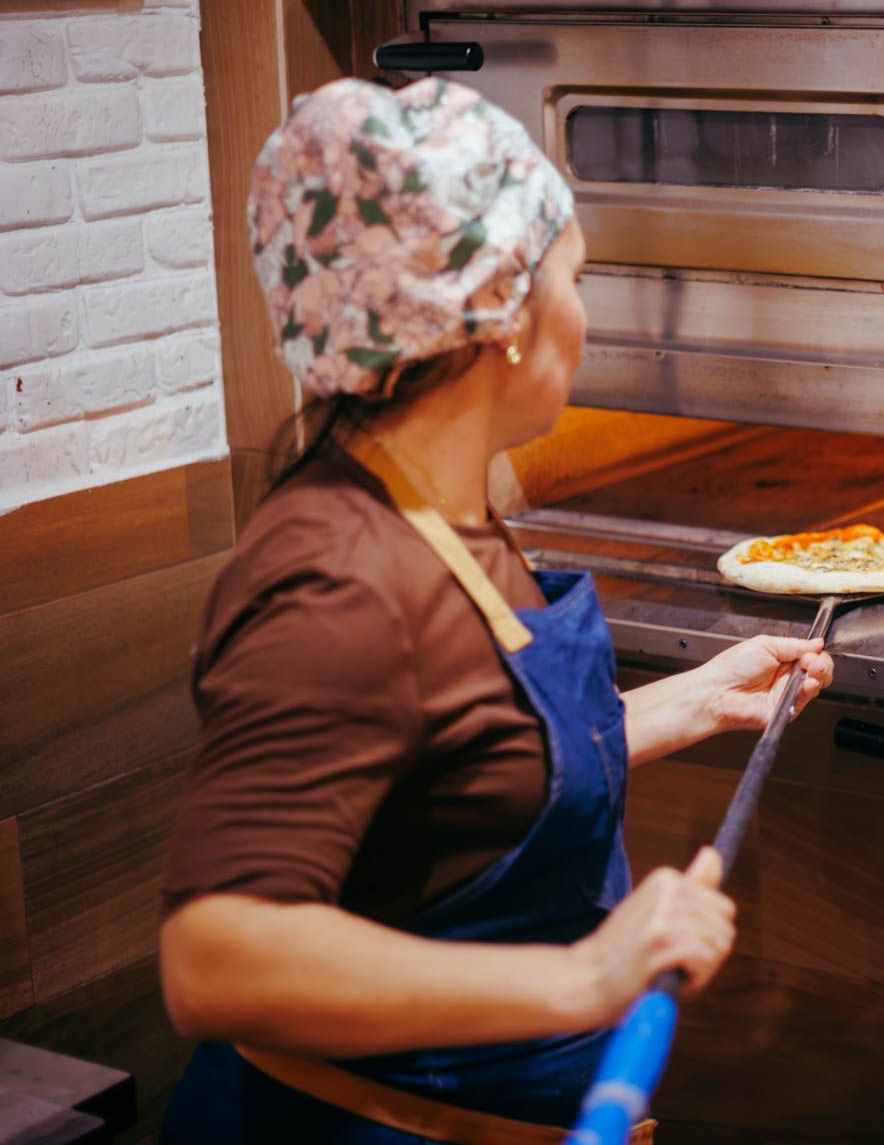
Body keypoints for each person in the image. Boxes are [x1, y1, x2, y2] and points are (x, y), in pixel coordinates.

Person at [158, 77, 833, 1143]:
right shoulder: (335, 579)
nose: (585, 313)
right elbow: (216, 959)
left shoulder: (440, 507)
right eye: (575, 277)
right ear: (504, 311)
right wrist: (587, 977)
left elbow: (470, 772)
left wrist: (693, 703)